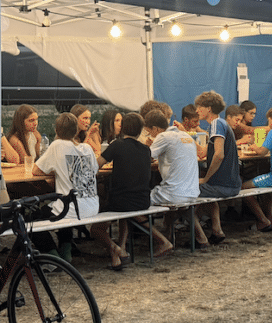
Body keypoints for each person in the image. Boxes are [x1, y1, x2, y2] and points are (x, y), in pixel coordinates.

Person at [90, 112, 173, 268]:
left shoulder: (117, 145)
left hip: (120, 202)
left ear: (123, 128)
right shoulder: (146, 149)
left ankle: (114, 248)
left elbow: (96, 165)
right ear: (141, 130)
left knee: (95, 229)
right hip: (143, 201)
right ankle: (121, 250)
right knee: (127, 214)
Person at [32, 112, 101, 264]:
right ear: (76, 130)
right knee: (63, 202)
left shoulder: (57, 145)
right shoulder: (87, 148)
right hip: (92, 206)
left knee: (31, 219)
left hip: (73, 209)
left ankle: (52, 257)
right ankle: (66, 250)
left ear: (56, 130)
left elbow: (36, 170)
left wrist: (57, 169)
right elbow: (94, 170)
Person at [146, 110, 210, 248]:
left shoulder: (163, 136)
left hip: (174, 194)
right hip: (193, 191)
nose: (149, 134)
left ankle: (160, 240)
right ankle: (199, 237)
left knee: (137, 201)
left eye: (149, 131)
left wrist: (147, 146)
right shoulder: (186, 136)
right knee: (180, 202)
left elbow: (145, 158)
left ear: (155, 129)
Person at [195, 90, 241, 245]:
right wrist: (185, 134)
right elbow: (203, 152)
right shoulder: (219, 124)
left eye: (199, 107)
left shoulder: (216, 124)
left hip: (223, 186)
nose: (197, 111)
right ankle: (217, 230)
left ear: (209, 108)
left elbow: (219, 155)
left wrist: (206, 178)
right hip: (229, 184)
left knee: (183, 192)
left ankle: (198, 236)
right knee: (204, 189)